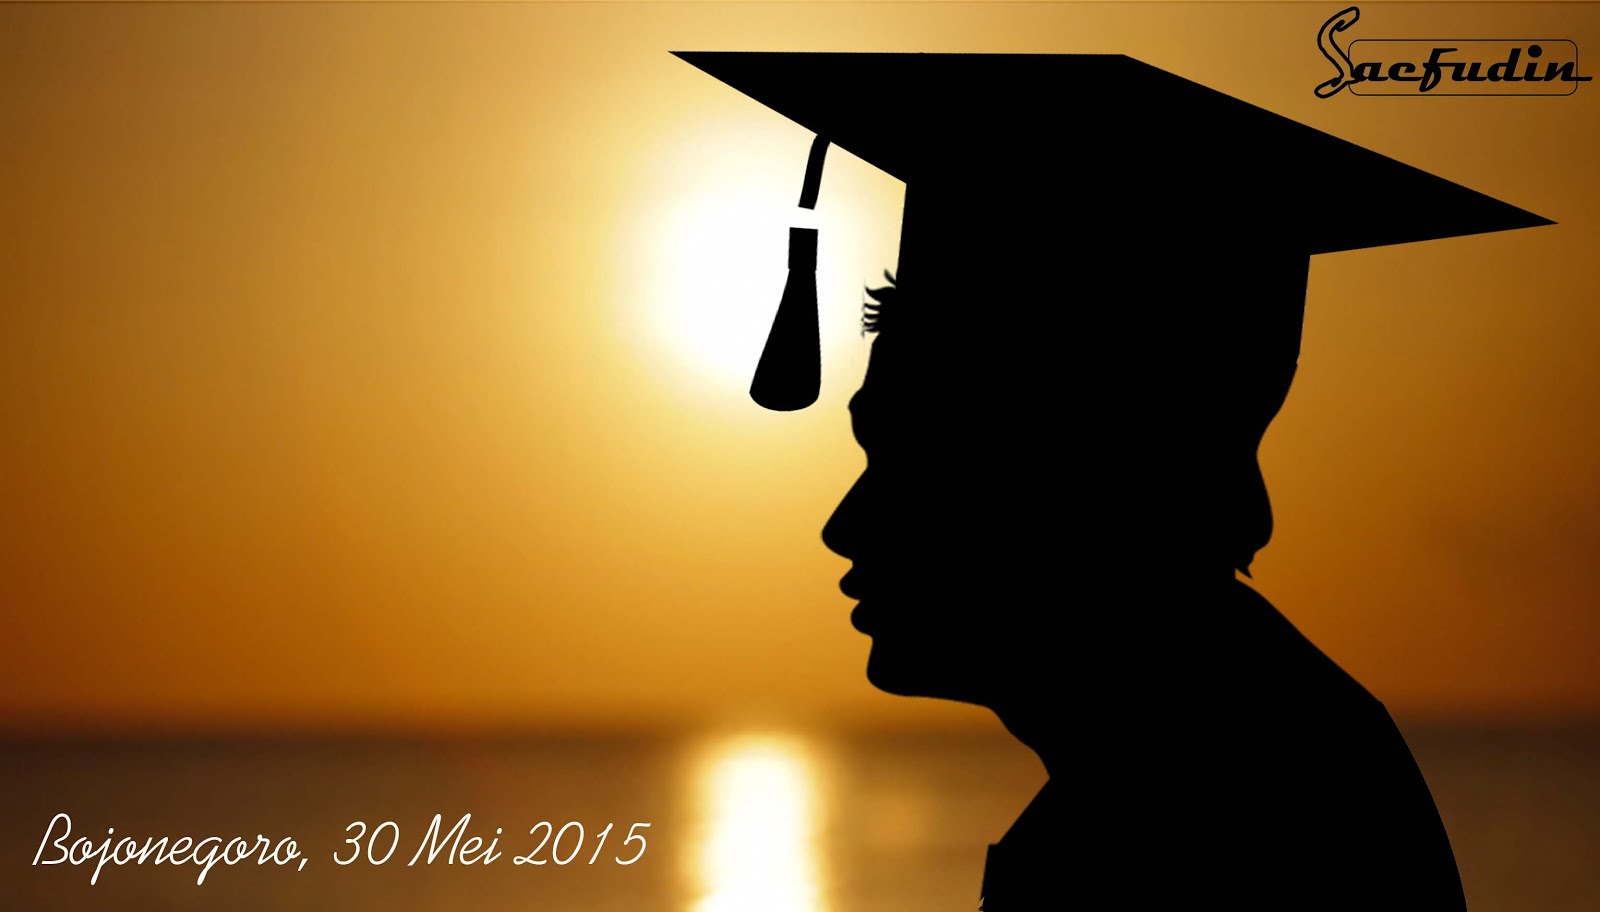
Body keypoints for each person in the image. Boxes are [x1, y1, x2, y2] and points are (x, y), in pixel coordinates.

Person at [675, 51, 1551, 909]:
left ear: (1066, 471)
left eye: (917, 461)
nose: (846, 526)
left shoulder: (1184, 833)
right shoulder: (1270, 751)